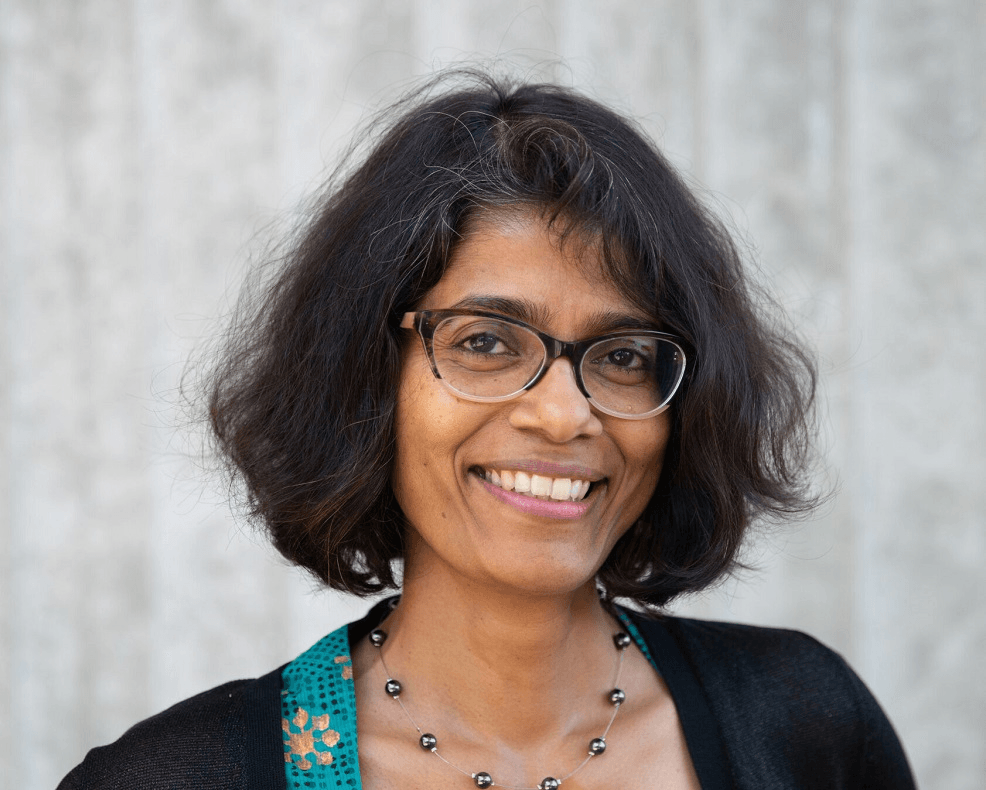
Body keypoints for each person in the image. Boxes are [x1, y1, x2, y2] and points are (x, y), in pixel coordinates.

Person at [58, 72, 915, 790]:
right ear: (366, 379)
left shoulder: (807, 728)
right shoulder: (171, 779)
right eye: (486, 343)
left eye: (623, 356)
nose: (563, 414)